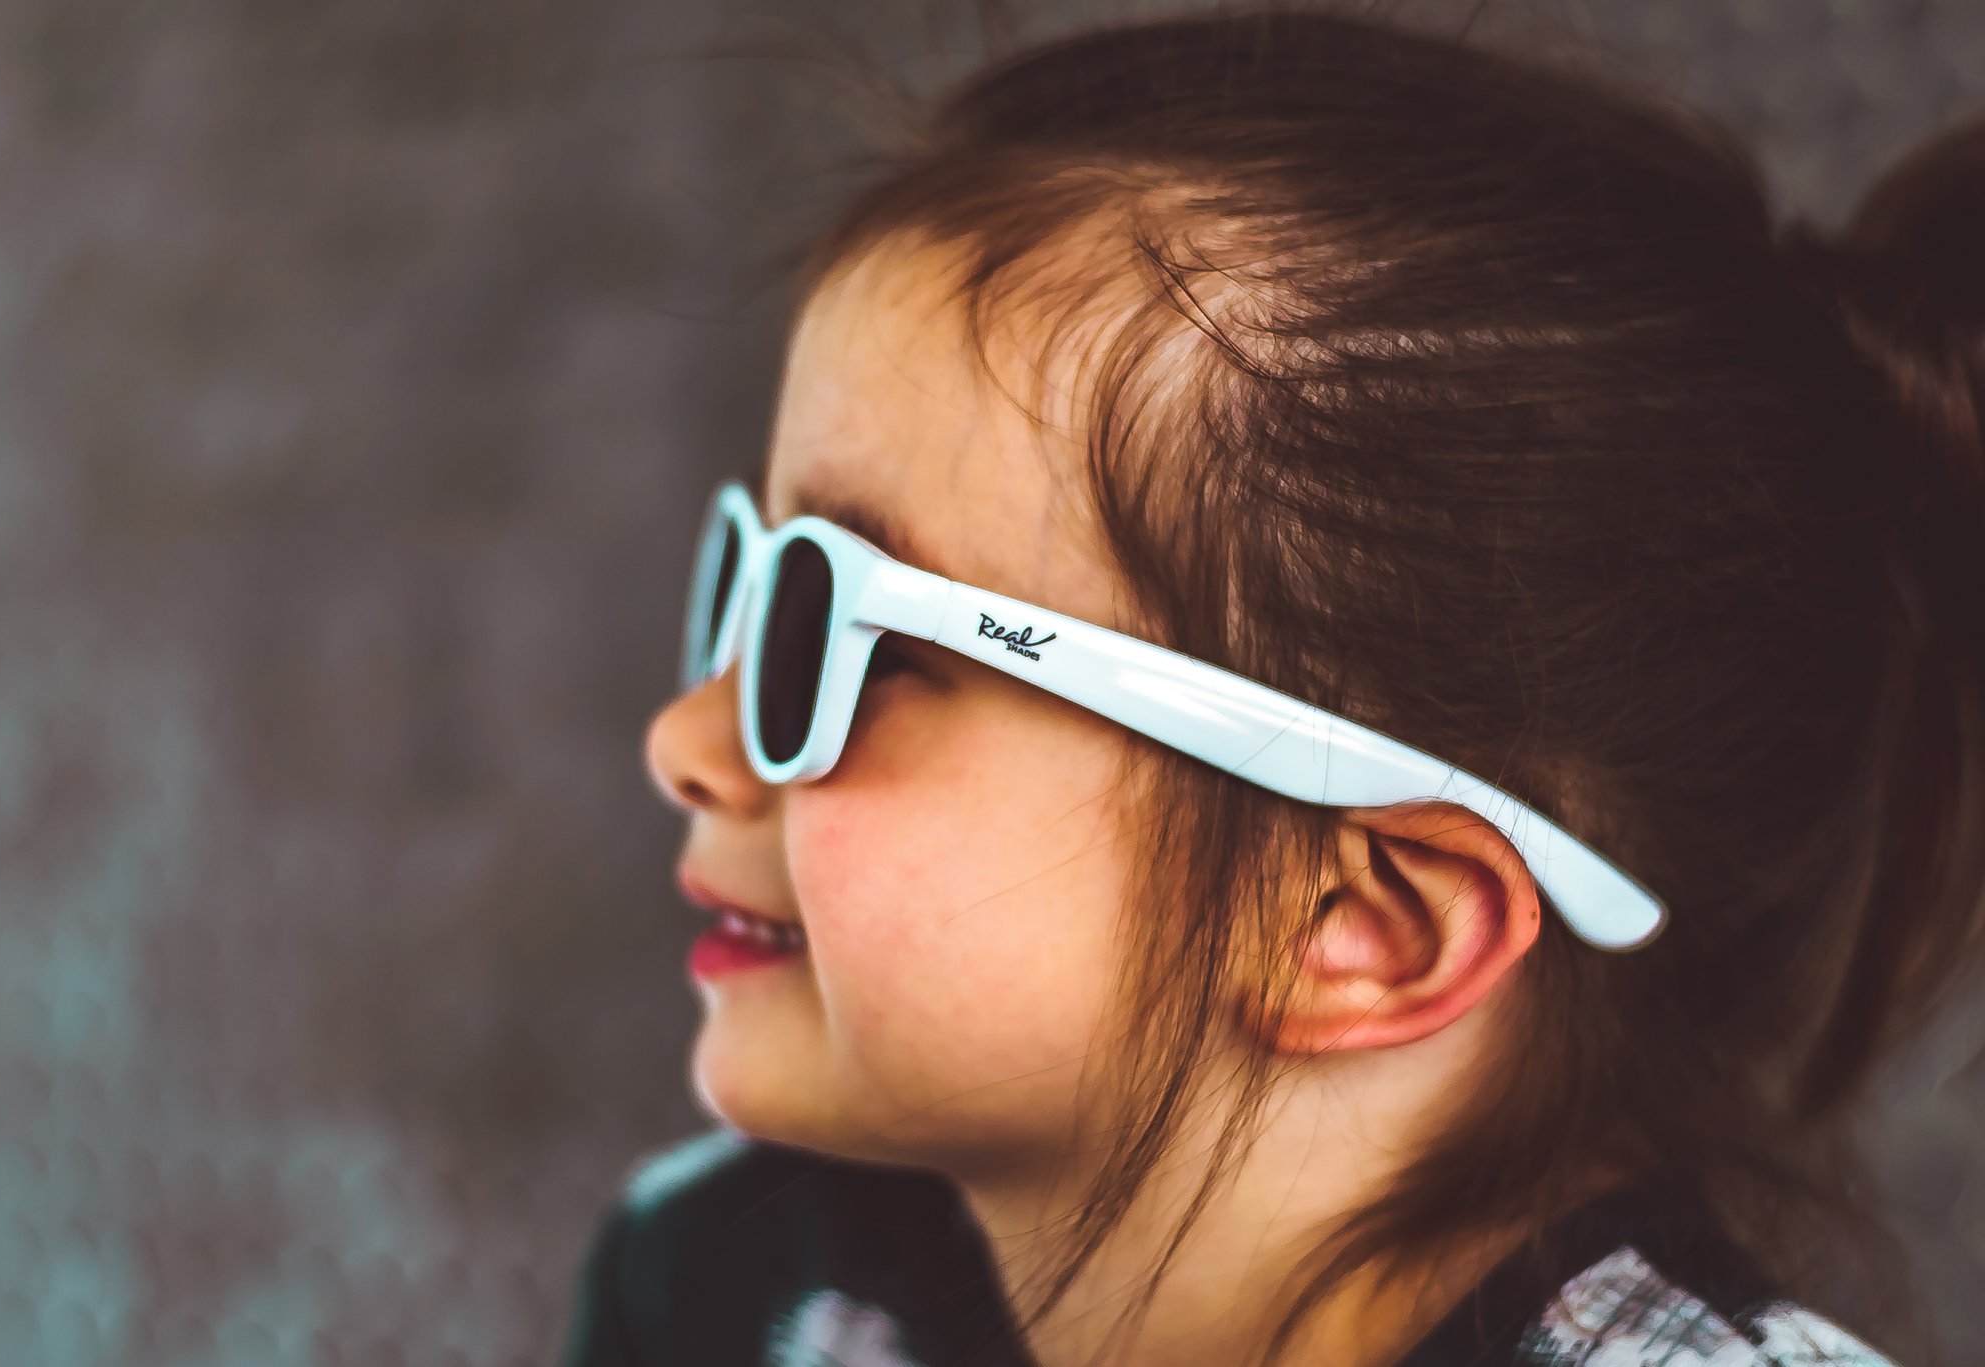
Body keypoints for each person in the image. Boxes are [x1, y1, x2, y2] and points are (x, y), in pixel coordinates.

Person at [563, 8, 1985, 1365]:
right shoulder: (722, 1282)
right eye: (751, 581)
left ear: (1357, 920)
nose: (686, 740)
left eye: (846, 638)